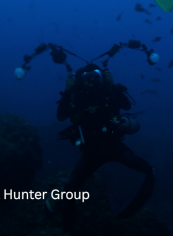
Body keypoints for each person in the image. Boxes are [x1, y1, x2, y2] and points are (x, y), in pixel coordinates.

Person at [54, 63, 154, 233]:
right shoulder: (75, 95)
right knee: (70, 189)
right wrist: (68, 91)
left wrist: (113, 86)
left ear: (101, 77)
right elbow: (61, 116)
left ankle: (128, 214)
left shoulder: (108, 91)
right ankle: (67, 229)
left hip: (112, 145)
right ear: (80, 80)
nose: (90, 82)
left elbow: (127, 106)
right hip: (92, 151)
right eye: (86, 79)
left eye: (94, 77)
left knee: (148, 171)